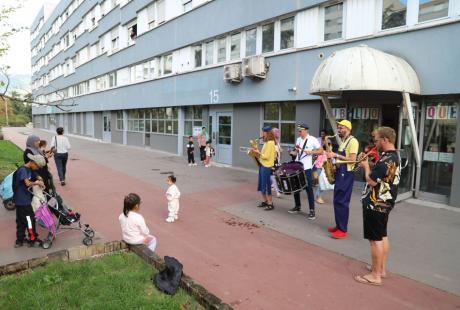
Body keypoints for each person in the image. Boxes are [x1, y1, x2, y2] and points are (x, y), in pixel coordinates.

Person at [354, 127, 400, 286]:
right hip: (385, 202)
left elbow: (372, 181)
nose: (375, 143)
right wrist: (370, 164)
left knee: (375, 240)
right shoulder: (393, 157)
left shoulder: (386, 159)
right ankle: (381, 269)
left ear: (385, 140)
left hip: (375, 203)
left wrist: (366, 167)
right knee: (382, 236)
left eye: (377, 140)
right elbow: (383, 173)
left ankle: (375, 275)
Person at [327, 120, 359, 239]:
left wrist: (336, 155)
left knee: (343, 201)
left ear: (348, 128)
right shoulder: (344, 141)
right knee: (337, 199)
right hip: (341, 172)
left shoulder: (353, 141)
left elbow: (352, 159)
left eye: (341, 128)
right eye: (339, 128)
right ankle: (338, 225)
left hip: (347, 173)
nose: (339, 130)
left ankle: (343, 229)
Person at [288, 123, 322, 220]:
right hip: (297, 166)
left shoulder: (312, 139)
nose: (299, 132)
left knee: (309, 189)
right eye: (298, 131)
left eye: (301, 131)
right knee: (295, 187)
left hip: (306, 168)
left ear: (306, 130)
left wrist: (311, 152)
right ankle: (297, 206)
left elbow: (321, 151)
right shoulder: (298, 139)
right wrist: (292, 152)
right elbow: (296, 152)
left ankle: (312, 211)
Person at [13, 154, 46, 248]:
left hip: (21, 199)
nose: (37, 168)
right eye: (37, 166)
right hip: (23, 200)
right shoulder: (23, 170)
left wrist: (39, 177)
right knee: (30, 219)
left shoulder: (29, 169)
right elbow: (27, 183)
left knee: (20, 220)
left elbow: (34, 174)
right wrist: (37, 182)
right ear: (32, 162)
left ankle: (20, 240)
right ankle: (33, 239)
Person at [252, 125, 277, 211]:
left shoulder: (270, 143)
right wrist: (255, 149)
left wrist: (257, 152)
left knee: (266, 185)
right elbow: (263, 155)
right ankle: (265, 201)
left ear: (268, 133)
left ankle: (270, 203)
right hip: (262, 166)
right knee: (262, 184)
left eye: (263, 132)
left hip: (266, 167)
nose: (262, 134)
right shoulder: (266, 142)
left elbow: (266, 156)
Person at [270, 127, 282, 198]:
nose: (278, 134)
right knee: (273, 176)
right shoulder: (272, 142)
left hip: (277, 161)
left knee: (275, 176)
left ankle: (275, 188)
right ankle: (277, 191)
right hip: (273, 161)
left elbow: (279, 151)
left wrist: (280, 150)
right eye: (277, 132)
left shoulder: (277, 141)